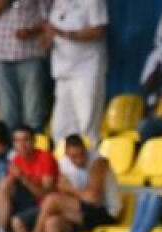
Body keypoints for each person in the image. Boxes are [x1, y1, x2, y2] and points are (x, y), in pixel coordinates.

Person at [30, 134, 122, 232]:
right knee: (51, 223)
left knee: (52, 200)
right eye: (74, 157)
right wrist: (71, 192)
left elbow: (94, 199)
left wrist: (69, 189)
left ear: (85, 150)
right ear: (66, 154)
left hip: (106, 212)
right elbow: (62, 191)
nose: (79, 160)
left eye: (82, 155)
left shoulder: (98, 162)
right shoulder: (63, 165)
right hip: (81, 212)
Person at [45, 0, 108, 146]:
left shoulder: (93, 2)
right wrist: (47, 41)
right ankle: (63, 158)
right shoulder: (57, 2)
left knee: (86, 122)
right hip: (62, 71)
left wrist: (64, 33)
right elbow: (51, 32)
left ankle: (90, 156)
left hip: (86, 69)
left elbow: (98, 30)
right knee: (60, 126)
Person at [0, 0, 49, 133]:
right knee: (7, 112)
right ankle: (10, 144)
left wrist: (31, 31)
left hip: (30, 54)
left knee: (33, 110)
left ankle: (33, 143)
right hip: (1, 52)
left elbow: (49, 20)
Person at [0, 124, 58, 232]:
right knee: (4, 185)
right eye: (17, 141)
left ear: (34, 141)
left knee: (17, 221)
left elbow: (46, 195)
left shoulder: (45, 158)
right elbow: (7, 189)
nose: (22, 145)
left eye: (26, 140)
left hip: (43, 205)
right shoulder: (17, 159)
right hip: (26, 202)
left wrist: (24, 178)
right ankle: (1, 231)